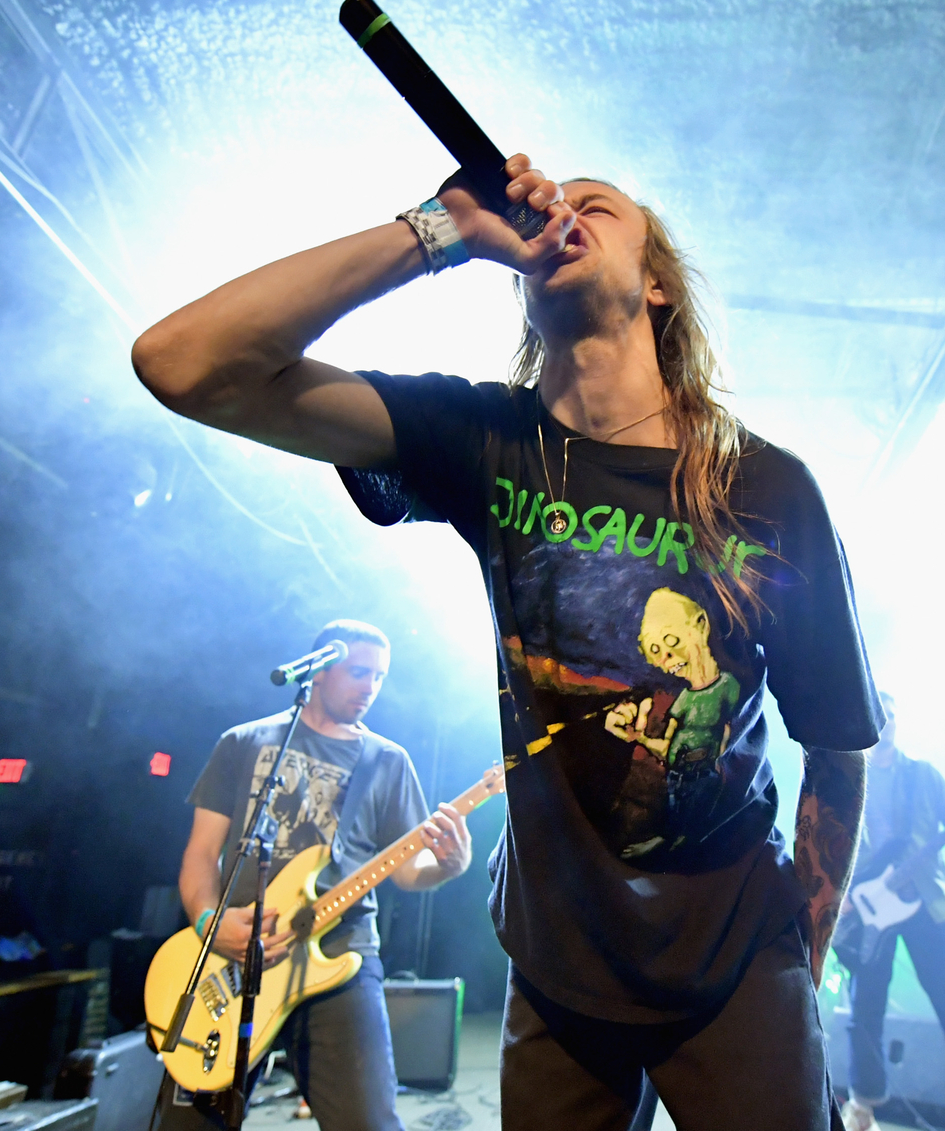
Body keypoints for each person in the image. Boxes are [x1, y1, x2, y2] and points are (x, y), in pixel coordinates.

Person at [133, 155, 882, 1130]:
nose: (561, 208)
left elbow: (838, 738)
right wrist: (440, 231)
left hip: (738, 958)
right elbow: (182, 362)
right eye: (552, 204)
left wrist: (805, 948)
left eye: (597, 206)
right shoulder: (485, 438)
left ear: (654, 282)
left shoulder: (765, 488)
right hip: (559, 962)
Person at [162, 619, 472, 1131]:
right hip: (236, 958)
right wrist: (209, 923)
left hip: (341, 957)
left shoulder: (387, 762)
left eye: (379, 676)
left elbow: (409, 871)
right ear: (320, 670)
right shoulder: (244, 742)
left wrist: (448, 864)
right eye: (358, 672)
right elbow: (201, 853)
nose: (370, 687)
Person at [838, 693, 945, 1131]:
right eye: (879, 715)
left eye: (893, 715)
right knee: (864, 1016)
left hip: (928, 905)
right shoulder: (845, 774)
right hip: (868, 907)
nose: (888, 723)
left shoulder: (923, 776)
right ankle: (863, 1106)